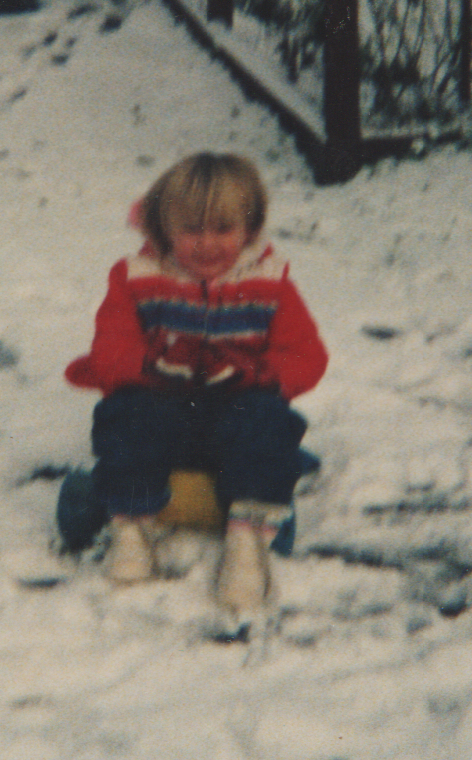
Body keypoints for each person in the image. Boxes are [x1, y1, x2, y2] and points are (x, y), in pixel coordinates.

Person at [65, 152, 328, 612]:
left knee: (267, 418)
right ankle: (132, 528)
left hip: (236, 415)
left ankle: (248, 545)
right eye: (192, 229)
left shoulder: (271, 284)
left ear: (249, 229)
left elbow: (306, 356)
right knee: (124, 411)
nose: (207, 244)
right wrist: (152, 368)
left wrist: (256, 375)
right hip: (164, 413)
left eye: (223, 229)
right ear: (165, 229)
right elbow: (110, 349)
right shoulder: (135, 279)